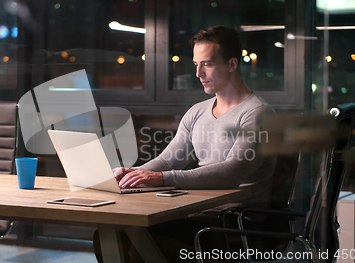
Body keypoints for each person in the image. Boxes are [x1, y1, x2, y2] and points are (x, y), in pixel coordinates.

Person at [94, 25, 276, 263]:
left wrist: (162, 178)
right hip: (196, 208)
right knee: (109, 234)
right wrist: (133, 173)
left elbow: (233, 172)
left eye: (207, 64)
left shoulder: (258, 113)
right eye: (195, 64)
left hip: (234, 220)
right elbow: (170, 159)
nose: (198, 73)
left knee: (143, 237)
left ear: (232, 64)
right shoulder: (197, 112)